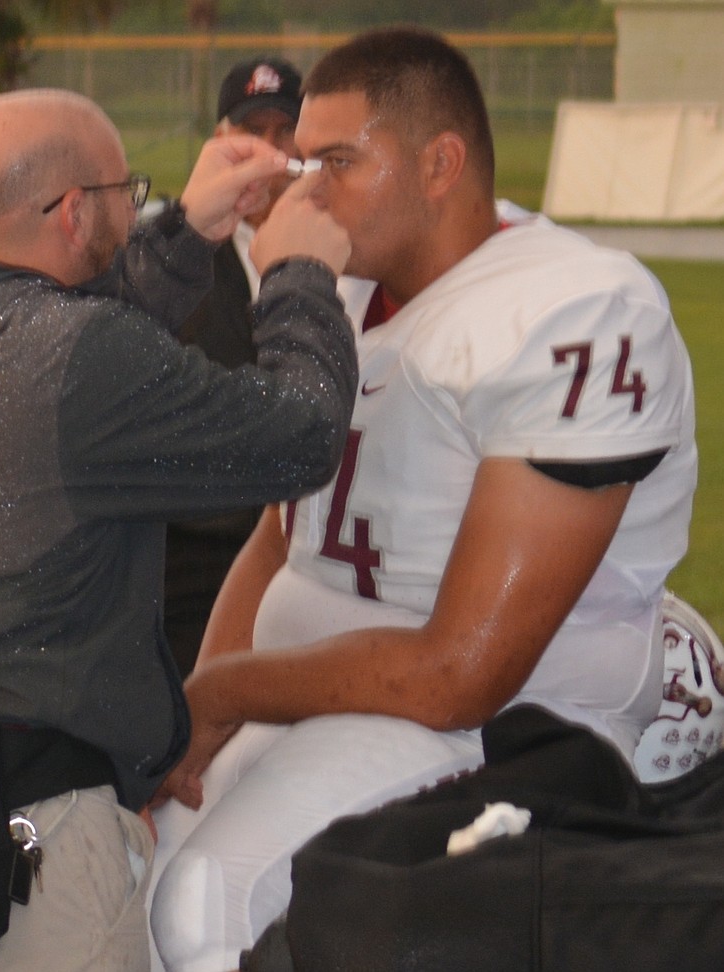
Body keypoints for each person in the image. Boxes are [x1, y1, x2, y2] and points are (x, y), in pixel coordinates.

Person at [148, 27, 698, 972]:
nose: (308, 193)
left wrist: (218, 692)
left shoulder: (577, 309)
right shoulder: (355, 289)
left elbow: (460, 674)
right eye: (303, 164)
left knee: (203, 909)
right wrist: (206, 713)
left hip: (496, 728)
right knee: (141, 872)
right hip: (317, 700)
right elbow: (278, 544)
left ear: (440, 164)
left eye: (339, 162)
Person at [0, 86, 357, 972]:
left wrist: (186, 234)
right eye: (125, 197)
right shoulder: (76, 356)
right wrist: (298, 275)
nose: (137, 213)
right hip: (37, 855)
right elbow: (301, 434)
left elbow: (55, 358)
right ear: (70, 212)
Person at [164, 57, 304, 678]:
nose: (269, 153)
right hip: (203, 556)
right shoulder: (180, 261)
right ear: (221, 144)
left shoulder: (352, 253)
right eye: (252, 134)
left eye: (284, 133)